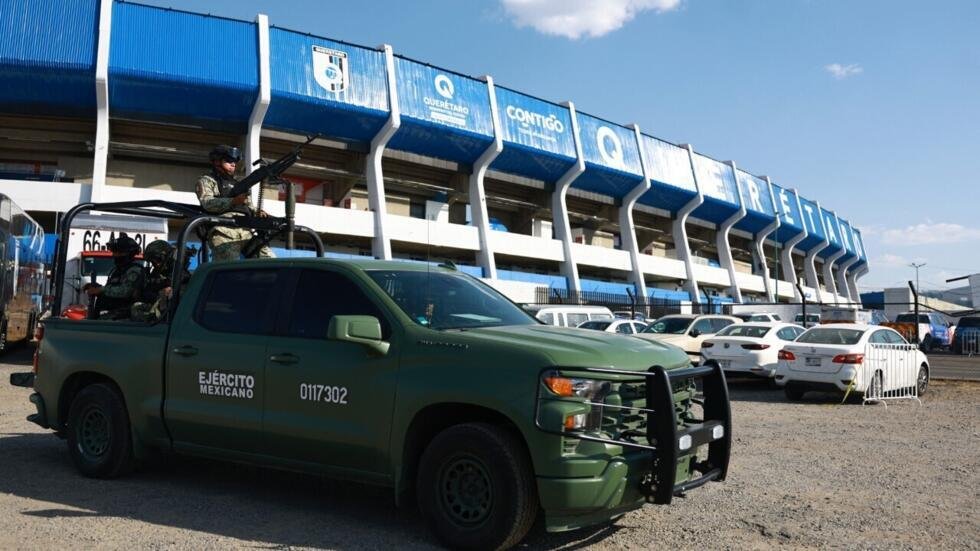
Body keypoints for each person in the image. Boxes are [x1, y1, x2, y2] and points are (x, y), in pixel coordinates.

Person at [196, 144, 274, 261]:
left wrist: (258, 212)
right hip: (224, 232)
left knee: (271, 262)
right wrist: (232, 201)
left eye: (235, 161)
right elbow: (207, 203)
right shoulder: (207, 180)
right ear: (217, 162)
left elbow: (249, 205)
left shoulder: (239, 184)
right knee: (229, 269)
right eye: (228, 161)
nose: (233, 164)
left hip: (246, 231)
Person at [83, 233, 145, 320]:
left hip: (123, 317)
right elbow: (113, 288)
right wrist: (97, 287)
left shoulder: (135, 271)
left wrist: (101, 290)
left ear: (127, 253)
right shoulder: (118, 270)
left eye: (117, 252)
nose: (114, 255)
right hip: (110, 314)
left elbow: (125, 291)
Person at [131, 240, 192, 322]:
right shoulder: (156, 271)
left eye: (158, 259)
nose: (156, 264)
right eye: (153, 261)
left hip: (171, 314)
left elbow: (171, 288)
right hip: (155, 306)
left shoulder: (179, 272)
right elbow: (147, 290)